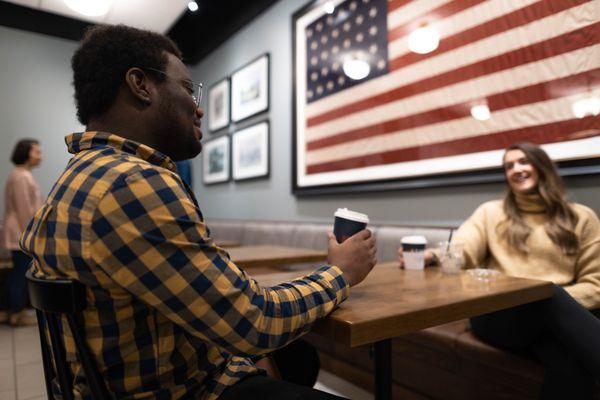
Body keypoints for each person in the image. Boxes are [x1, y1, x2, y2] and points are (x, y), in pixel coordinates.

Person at [20, 24, 377, 400]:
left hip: (120, 378)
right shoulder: (133, 184)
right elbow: (255, 323)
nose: (199, 107)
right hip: (179, 391)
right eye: (189, 89)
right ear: (141, 85)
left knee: (298, 357)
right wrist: (340, 273)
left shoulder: (78, 175)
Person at [398, 142, 600, 399]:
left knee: (568, 360)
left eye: (523, 161)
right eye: (509, 166)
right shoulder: (491, 212)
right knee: (545, 295)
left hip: (555, 314)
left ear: (543, 166)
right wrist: (431, 255)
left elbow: (596, 285)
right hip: (499, 313)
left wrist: (550, 299)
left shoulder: (582, 217)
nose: (516, 169)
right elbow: (463, 248)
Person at [0, 139, 42, 326]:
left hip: (17, 232)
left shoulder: (19, 175)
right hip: (21, 233)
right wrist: (33, 235)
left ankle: (7, 310)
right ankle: (16, 313)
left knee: (17, 273)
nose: (40, 156)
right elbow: (25, 210)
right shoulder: (22, 177)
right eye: (37, 152)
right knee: (21, 274)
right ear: (26, 153)